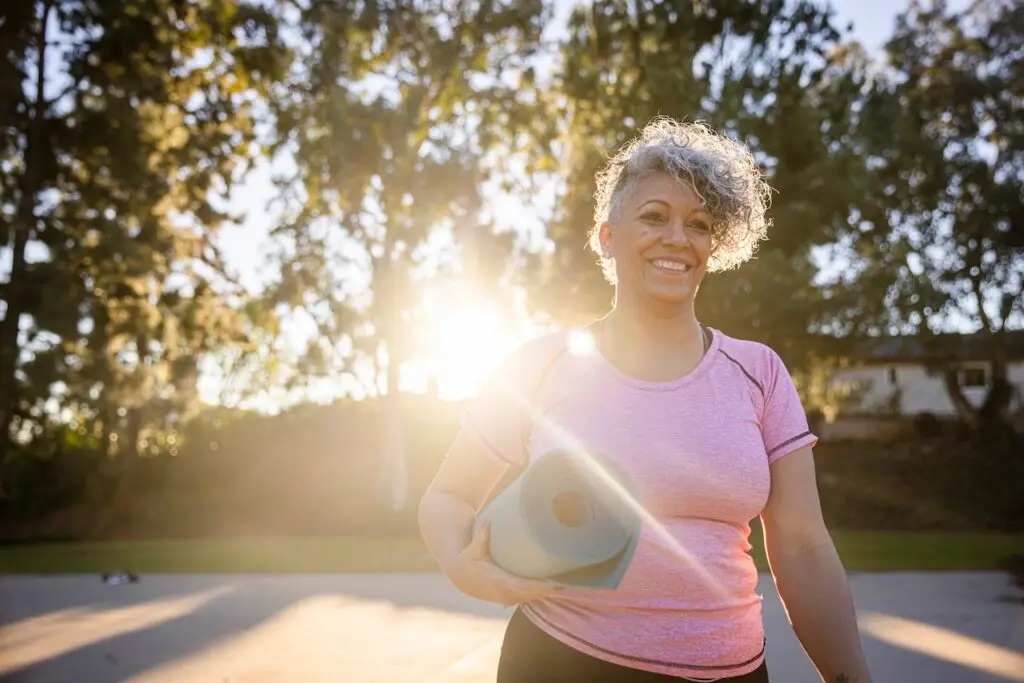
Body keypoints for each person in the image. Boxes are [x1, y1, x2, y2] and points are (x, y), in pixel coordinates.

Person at [418, 117, 874, 683]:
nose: (678, 238)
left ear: (713, 246)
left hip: (733, 671)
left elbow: (803, 546)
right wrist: (462, 567)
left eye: (699, 224)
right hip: (563, 662)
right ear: (608, 236)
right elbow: (448, 496)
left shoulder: (759, 373)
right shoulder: (541, 364)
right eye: (654, 216)